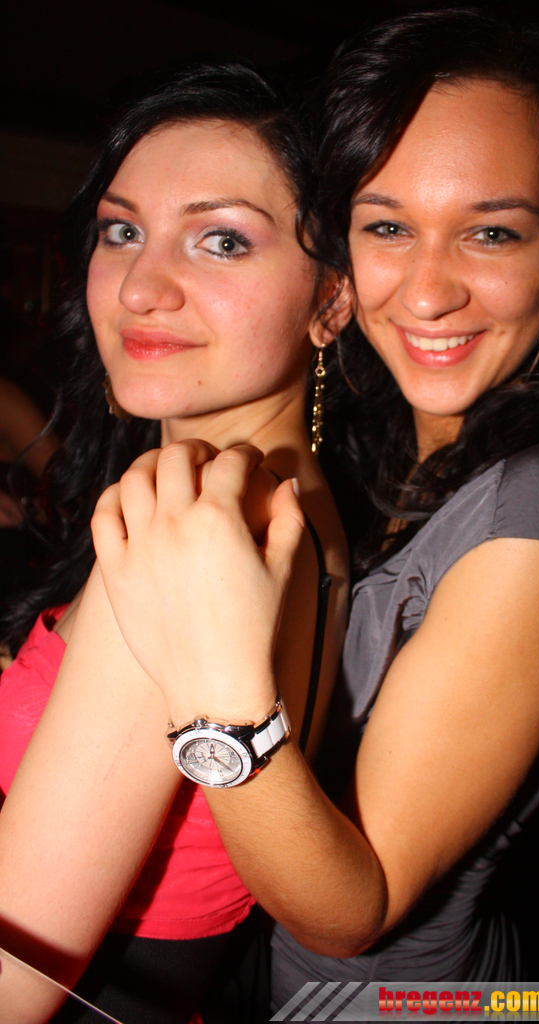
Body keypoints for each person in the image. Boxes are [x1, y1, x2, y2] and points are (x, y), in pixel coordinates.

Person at [75, 5, 539, 1000]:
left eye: (491, 233)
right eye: (387, 227)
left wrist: (215, 683)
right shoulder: (385, 450)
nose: (425, 293)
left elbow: (353, 913)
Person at [0, 63, 347, 1023]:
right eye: (122, 231)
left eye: (221, 240)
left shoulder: (193, 525)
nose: (141, 287)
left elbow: (12, 988)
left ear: (332, 300)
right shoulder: (289, 496)